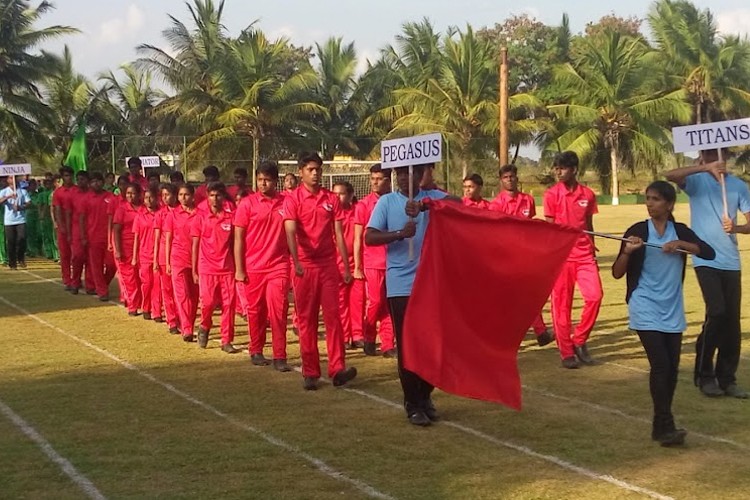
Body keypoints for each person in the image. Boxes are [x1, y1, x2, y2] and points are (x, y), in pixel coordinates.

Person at [612, 181, 715, 446]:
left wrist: (681, 244)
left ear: (669, 204)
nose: (649, 203)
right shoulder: (637, 231)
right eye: (648, 198)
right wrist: (628, 251)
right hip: (644, 303)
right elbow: (617, 272)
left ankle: (660, 428)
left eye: (655, 199)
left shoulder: (679, 230)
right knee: (660, 365)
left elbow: (709, 252)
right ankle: (666, 425)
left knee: (671, 369)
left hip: (672, 308)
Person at [366, 163, 454, 426]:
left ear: (420, 174)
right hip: (400, 286)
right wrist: (398, 234)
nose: (404, 178)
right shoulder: (387, 203)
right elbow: (370, 237)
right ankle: (412, 402)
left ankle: (425, 394)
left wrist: (427, 205)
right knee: (407, 346)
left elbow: (459, 204)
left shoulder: (433, 197)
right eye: (400, 174)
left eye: (410, 173)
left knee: (433, 344)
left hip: (431, 284)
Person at [664, 151, 750, 399]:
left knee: (731, 321)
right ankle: (704, 374)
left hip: (731, 261)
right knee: (717, 312)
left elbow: (749, 222)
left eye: (715, 156)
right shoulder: (696, 182)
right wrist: (704, 169)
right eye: (707, 156)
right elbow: (670, 175)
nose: (712, 159)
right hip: (705, 258)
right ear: (702, 156)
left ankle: (727, 378)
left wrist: (738, 228)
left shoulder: (737, 186)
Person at [283, 151, 357, 390]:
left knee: (334, 317)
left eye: (318, 169)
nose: (315, 173)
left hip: (327, 265)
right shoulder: (293, 199)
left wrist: (345, 265)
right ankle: (311, 371)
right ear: (301, 172)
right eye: (310, 169)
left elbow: (338, 234)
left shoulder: (331, 198)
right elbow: (291, 232)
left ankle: (337, 369)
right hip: (305, 265)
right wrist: (296, 262)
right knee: (307, 319)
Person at [543, 151, 602, 369]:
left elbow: (589, 224)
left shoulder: (588, 194)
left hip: (585, 254)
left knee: (595, 297)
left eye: (563, 168)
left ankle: (579, 340)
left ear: (574, 169)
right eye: (556, 168)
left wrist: (593, 250)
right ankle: (566, 352)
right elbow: (549, 228)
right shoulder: (551, 195)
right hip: (561, 257)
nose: (558, 172)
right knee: (561, 305)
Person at [234, 161, 291, 370]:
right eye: (259, 179)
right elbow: (238, 238)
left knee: (278, 311)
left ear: (276, 181)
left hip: (279, 266)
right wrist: (239, 269)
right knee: (256, 312)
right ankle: (256, 350)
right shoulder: (247, 204)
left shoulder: (286, 203)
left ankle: (280, 356)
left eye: (267, 179)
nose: (263, 183)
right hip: (253, 267)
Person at [490, 164, 554, 346]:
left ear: (517, 178)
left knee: (530, 294)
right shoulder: (496, 204)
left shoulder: (528, 200)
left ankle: (540, 331)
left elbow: (530, 222)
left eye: (512, 176)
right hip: (506, 255)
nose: (509, 179)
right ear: (501, 181)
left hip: (526, 253)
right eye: (505, 177)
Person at [191, 182, 240, 353]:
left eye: (218, 195)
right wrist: (194, 270)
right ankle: (204, 325)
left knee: (229, 304)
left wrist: (238, 267)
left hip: (227, 268)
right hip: (207, 268)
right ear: (207, 196)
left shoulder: (230, 216)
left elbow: (235, 243)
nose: (214, 199)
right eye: (211, 195)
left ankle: (226, 340)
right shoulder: (201, 217)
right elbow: (195, 244)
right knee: (208, 303)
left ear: (223, 197)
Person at [353, 163, 395, 357]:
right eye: (373, 179)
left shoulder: (396, 202)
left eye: (379, 179)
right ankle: (369, 336)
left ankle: (387, 344)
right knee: (376, 302)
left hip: (393, 261)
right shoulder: (363, 205)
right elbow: (358, 237)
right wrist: (358, 265)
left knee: (390, 304)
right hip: (373, 262)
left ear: (388, 180)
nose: (375, 182)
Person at [333, 181, 366, 353]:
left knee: (358, 300)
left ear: (351, 194)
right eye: (335, 194)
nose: (337, 197)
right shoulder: (331, 215)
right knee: (341, 302)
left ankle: (358, 335)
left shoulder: (357, 212)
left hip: (358, 263)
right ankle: (345, 336)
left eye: (341, 193)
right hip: (338, 263)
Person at [165, 183, 200, 341]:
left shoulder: (200, 214)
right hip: (177, 259)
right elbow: (168, 239)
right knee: (182, 295)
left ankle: (189, 324)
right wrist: (167, 262)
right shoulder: (173, 215)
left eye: (186, 195)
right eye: (180, 195)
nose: (183, 198)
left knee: (194, 296)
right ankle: (186, 328)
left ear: (193, 196)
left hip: (197, 260)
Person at [81, 173, 116, 301]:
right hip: (93, 237)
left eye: (98, 181)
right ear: (90, 183)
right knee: (96, 266)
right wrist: (83, 236)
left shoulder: (110, 197)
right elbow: (82, 218)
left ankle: (101, 285)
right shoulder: (87, 198)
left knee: (112, 265)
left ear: (103, 182)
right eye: (93, 181)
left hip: (109, 238)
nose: (96, 183)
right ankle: (102, 291)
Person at [153, 183, 180, 334]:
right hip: (164, 256)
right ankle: (172, 321)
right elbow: (157, 238)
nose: (164, 198)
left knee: (180, 292)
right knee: (167, 290)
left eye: (167, 195)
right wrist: (155, 259)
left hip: (179, 255)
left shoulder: (181, 212)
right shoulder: (160, 214)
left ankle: (181, 318)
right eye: (162, 195)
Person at [113, 183, 143, 316]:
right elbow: (116, 230)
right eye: (128, 193)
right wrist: (118, 250)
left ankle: (142, 303)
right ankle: (132, 305)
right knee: (129, 279)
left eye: (133, 193)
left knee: (140, 278)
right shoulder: (122, 209)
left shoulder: (143, 208)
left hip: (142, 247)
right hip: (126, 247)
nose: (130, 196)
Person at [133, 187, 161, 321]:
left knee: (157, 285)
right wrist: (134, 257)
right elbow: (136, 237)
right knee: (146, 283)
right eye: (146, 198)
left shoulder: (161, 214)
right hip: (144, 254)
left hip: (158, 255)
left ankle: (156, 312)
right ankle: (146, 307)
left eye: (151, 197)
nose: (148, 201)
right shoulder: (140, 216)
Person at [52, 166, 76, 289]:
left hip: (76, 226)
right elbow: (57, 210)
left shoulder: (77, 190)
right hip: (63, 228)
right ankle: (67, 280)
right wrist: (60, 225)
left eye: (70, 175)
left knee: (77, 255)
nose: (69, 178)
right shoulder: (58, 192)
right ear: (62, 177)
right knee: (65, 255)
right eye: (66, 175)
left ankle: (76, 279)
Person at [0, 176, 32, 270]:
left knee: (21, 239)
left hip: (21, 219)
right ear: (7, 180)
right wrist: (8, 197)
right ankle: (12, 263)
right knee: (11, 242)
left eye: (14, 178)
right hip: (9, 221)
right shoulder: (4, 191)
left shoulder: (23, 191)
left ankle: (20, 257)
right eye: (10, 178)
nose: (12, 180)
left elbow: (29, 203)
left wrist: (21, 207)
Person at [70, 171, 93, 294]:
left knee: (90, 259)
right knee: (77, 257)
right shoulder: (73, 194)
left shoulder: (91, 194)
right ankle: (75, 282)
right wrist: (68, 231)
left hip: (91, 229)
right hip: (76, 230)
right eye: (78, 179)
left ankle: (90, 285)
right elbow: (68, 213)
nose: (80, 182)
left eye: (83, 179)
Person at [39, 176, 59, 261]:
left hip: (55, 217)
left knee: (54, 236)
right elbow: (42, 206)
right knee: (47, 236)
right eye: (46, 183)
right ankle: (49, 253)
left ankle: (56, 254)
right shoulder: (43, 194)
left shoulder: (54, 193)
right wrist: (41, 215)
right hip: (47, 217)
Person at [25, 179, 42, 257]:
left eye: (34, 185)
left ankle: (39, 249)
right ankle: (32, 251)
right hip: (29, 215)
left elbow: (38, 204)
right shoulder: (26, 195)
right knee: (30, 233)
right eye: (32, 185)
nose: (33, 186)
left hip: (37, 215)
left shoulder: (39, 194)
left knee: (39, 233)